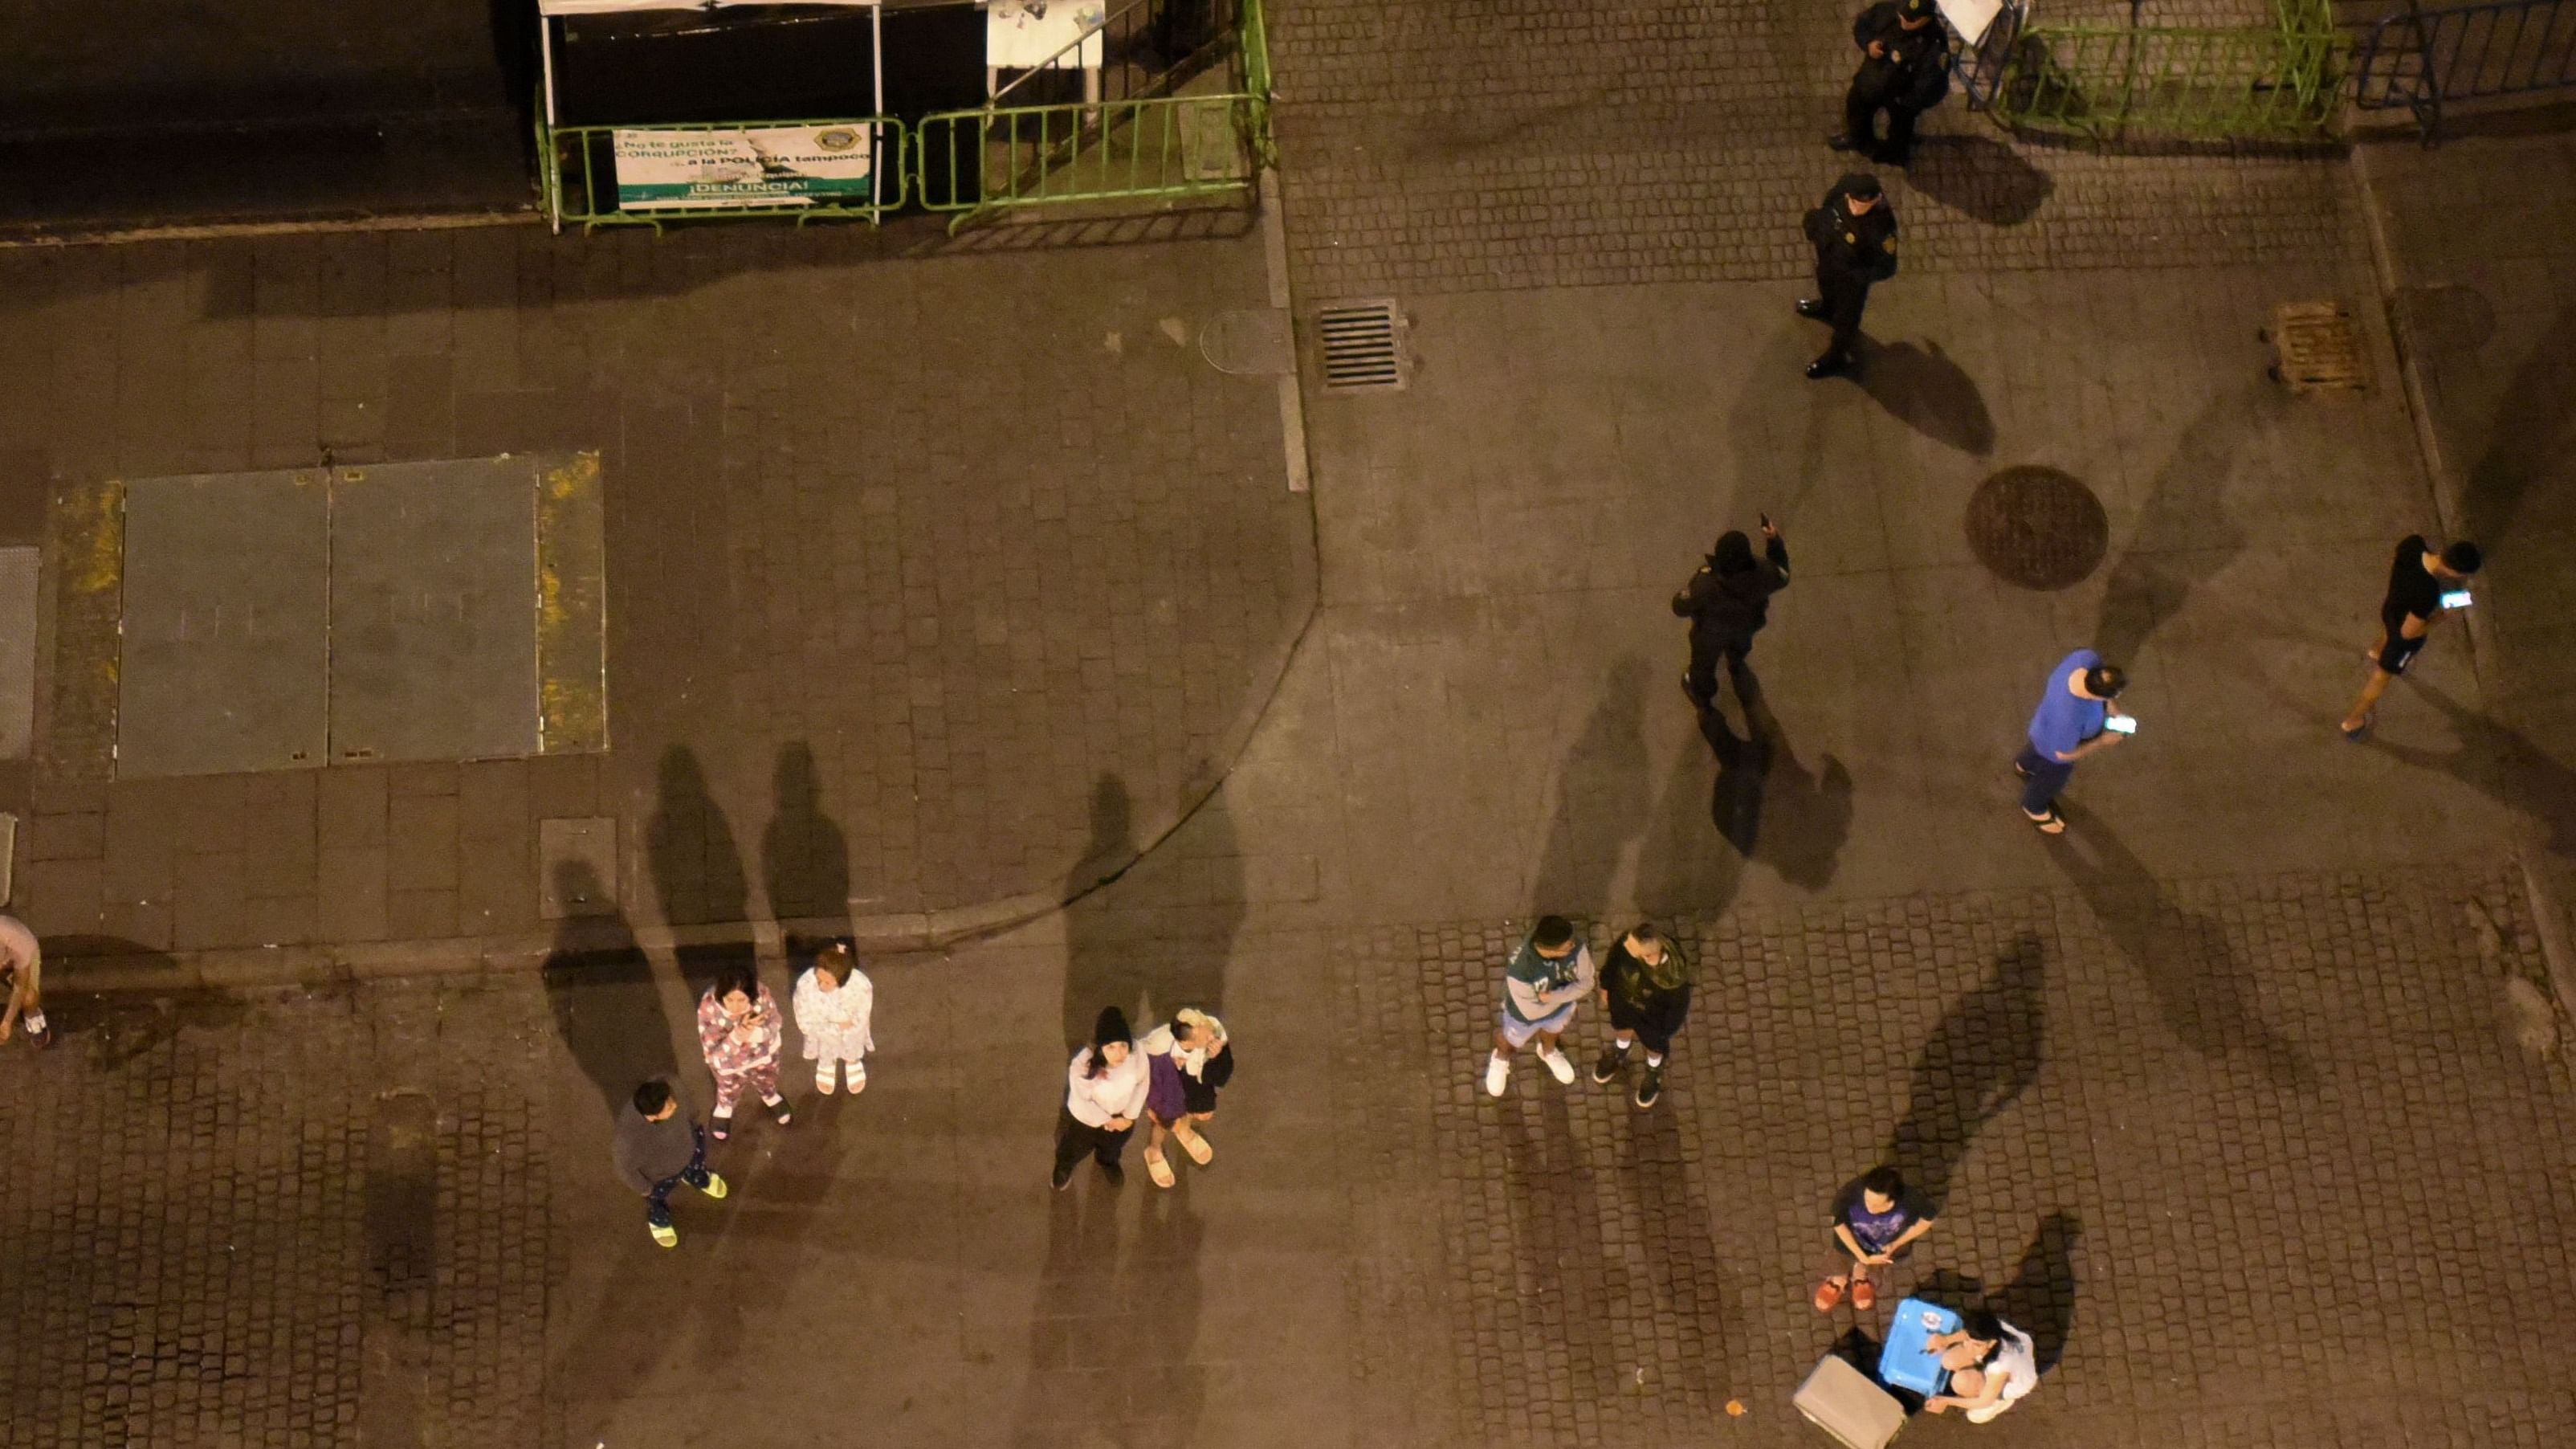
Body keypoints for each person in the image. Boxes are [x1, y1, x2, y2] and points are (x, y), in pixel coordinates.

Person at [2340, 536, 2482, 741]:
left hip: (2391, 609)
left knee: (2389, 631)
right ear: (2455, 571)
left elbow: (2395, 563)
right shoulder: (2427, 593)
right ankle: (2353, 720)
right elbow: (2409, 633)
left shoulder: (2413, 545)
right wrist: (2443, 616)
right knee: (2381, 676)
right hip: (2402, 639)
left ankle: (2378, 650)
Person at [1673, 516, 1791, 711]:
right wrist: (1774, 541)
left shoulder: (1706, 584)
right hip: (1747, 623)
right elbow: (1783, 574)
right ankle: (1736, 662)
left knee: (1703, 664)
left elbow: (1680, 607)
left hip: (1712, 633)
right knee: (1741, 644)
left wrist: (1680, 597)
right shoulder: (1765, 572)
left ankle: (1702, 692)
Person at [2013, 650, 2128, 835]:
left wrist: (2112, 708)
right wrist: (2102, 742)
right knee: (2052, 778)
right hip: (2055, 750)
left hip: (2042, 726)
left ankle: (2023, 765)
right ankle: (2033, 806)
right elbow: (2063, 755)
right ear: (2097, 696)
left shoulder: (2085, 659)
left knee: (2035, 748)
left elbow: (2102, 692)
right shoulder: (2069, 718)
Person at [1797, 173, 1898, 380]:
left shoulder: (1882, 226)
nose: (1852, 206)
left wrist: (1857, 277)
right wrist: (1814, 227)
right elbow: (1827, 210)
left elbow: (1887, 267)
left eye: (1859, 203)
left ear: (1874, 200)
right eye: (1851, 200)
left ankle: (1836, 358)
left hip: (1851, 282)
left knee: (1846, 322)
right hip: (1829, 261)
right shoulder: (1842, 193)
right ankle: (1826, 308)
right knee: (1825, 286)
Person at [1485, 916, 1597, 1098]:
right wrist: (1569, 994)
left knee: (1553, 1031)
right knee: (1510, 1040)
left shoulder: (1575, 945)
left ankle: (1548, 1052)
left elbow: (1587, 983)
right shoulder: (1520, 970)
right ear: (1549, 949)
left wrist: (1553, 997)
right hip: (1521, 1016)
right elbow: (1531, 1012)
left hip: (1560, 1007)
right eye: (1566, 946)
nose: (1573, 945)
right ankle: (1500, 1059)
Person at [1829, 0, 1953, 165]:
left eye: (1911, 21)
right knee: (1857, 107)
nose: (1904, 23)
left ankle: (1895, 154)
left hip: (1902, 98)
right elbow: (1863, 24)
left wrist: (1906, 103)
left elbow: (1932, 88)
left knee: (1900, 129)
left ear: (1926, 18)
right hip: (1872, 82)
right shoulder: (1890, 10)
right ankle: (1858, 139)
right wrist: (1868, 45)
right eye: (1903, 17)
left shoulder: (1935, 46)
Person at [614, 1076, 729, 1248]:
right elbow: (626, 1170)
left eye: (671, 1100)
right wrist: (645, 1189)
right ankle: (658, 1217)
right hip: (662, 1176)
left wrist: (696, 1127)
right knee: (657, 1197)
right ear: (652, 1116)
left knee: (697, 1166)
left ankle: (697, 1177)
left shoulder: (669, 1088)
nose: (674, 1105)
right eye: (668, 1107)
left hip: (689, 1149)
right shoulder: (629, 1140)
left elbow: (690, 1108)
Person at [1591, 924, 1692, 1108]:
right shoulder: (1628, 942)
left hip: (1652, 1016)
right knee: (1622, 1026)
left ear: (1647, 957)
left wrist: (1664, 1031)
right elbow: (1614, 958)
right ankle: (1621, 1051)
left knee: (1654, 1044)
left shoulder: (1672, 978)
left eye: (1631, 947)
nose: (1625, 944)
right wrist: (1606, 985)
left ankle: (1654, 1070)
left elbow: (1678, 1008)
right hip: (1624, 999)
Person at [1812, 1165, 1937, 1311]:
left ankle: (1860, 1274)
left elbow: (1928, 1219)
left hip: (1881, 1245)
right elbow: (1837, 1222)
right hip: (1849, 1242)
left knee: (1875, 1263)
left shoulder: (1911, 1199)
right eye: (1867, 1200)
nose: (1869, 1207)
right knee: (1840, 1258)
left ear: (1892, 1201)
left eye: (1876, 1205)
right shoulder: (1851, 1190)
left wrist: (1896, 1243)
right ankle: (1840, 1277)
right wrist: (1861, 1256)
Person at [1054, 1006, 1149, 1190]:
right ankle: (1064, 1166)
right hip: (1087, 1122)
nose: (1119, 1053)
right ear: (1100, 1047)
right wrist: (1108, 1121)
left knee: (1113, 1147)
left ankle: (1108, 1162)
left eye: (1123, 1045)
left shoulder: (1136, 1054)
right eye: (1111, 1047)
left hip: (1121, 1118)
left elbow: (1142, 1083)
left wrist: (1130, 1116)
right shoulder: (1083, 1065)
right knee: (1074, 1146)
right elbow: (1082, 1102)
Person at [696, 961, 793, 1141]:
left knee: (767, 1079)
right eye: (729, 999)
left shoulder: (762, 994)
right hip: (731, 1065)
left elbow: (776, 1021)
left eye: (741, 999)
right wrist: (737, 1036)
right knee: (728, 1089)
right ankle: (725, 1106)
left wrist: (757, 1033)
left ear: (751, 995)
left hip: (764, 1056)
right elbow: (713, 1054)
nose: (735, 1006)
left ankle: (769, 1094)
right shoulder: (708, 1009)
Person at [1138, 1007, 1231, 1187]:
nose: (1213, 1037)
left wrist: (1216, 1057)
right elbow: (1143, 1070)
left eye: (1208, 1030)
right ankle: (1154, 1150)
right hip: (1164, 1073)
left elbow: (1222, 1076)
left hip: (1195, 1071)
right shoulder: (1158, 1047)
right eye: (1206, 1038)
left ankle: (1183, 1129)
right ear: (1187, 1042)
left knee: (1203, 1112)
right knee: (1165, 1118)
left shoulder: (1215, 1029)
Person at [1925, 1309, 2040, 1422]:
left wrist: (1946, 1401)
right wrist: (1945, 1340)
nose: (1969, 1347)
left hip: (2011, 1382)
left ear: (1992, 1343)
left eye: (1976, 1345)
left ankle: (2000, 1401)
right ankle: (1976, 1379)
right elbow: (1968, 1333)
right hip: (2001, 1358)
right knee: (1948, 1361)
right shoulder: (1992, 1327)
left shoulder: (2001, 1365)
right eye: (1968, 1341)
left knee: (1963, 1388)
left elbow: (1984, 1401)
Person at [791, 941, 874, 1095]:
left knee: (852, 1042)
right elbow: (802, 1012)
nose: (821, 985)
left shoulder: (860, 986)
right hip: (822, 1031)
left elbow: (863, 1013)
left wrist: (852, 1025)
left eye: (828, 982)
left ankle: (852, 1060)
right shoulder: (806, 984)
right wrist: (828, 1027)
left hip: (848, 1031)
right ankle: (827, 1064)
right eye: (819, 979)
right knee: (826, 1046)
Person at [0, 912, 51, 1050]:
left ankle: (32, 1016)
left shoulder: (21, 944)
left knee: (28, 997)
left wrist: (7, 1022)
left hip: (20, 962)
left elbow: (19, 987)